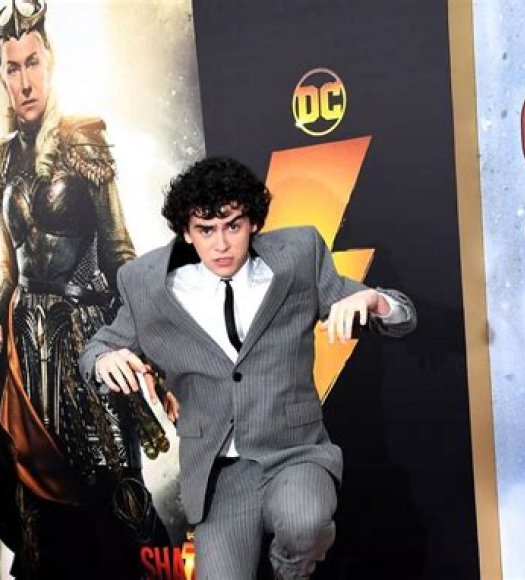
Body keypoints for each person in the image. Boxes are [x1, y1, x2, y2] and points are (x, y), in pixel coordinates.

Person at [79, 156, 417, 579]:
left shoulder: (297, 256)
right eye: (206, 229)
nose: (221, 244)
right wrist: (104, 359)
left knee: (305, 523)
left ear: (253, 222)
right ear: (186, 231)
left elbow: (404, 317)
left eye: (233, 226)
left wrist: (375, 300)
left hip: (293, 451)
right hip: (218, 471)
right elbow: (98, 348)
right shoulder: (145, 282)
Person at [0, 1, 168, 577]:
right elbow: (9, 264)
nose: (25, 81)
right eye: (13, 68)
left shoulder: (84, 142)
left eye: (32, 63)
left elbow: (121, 253)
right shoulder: (1, 162)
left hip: (85, 340)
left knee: (117, 489)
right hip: (24, 350)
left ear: (50, 62)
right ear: (2, 76)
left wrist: (150, 352)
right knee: (29, 496)